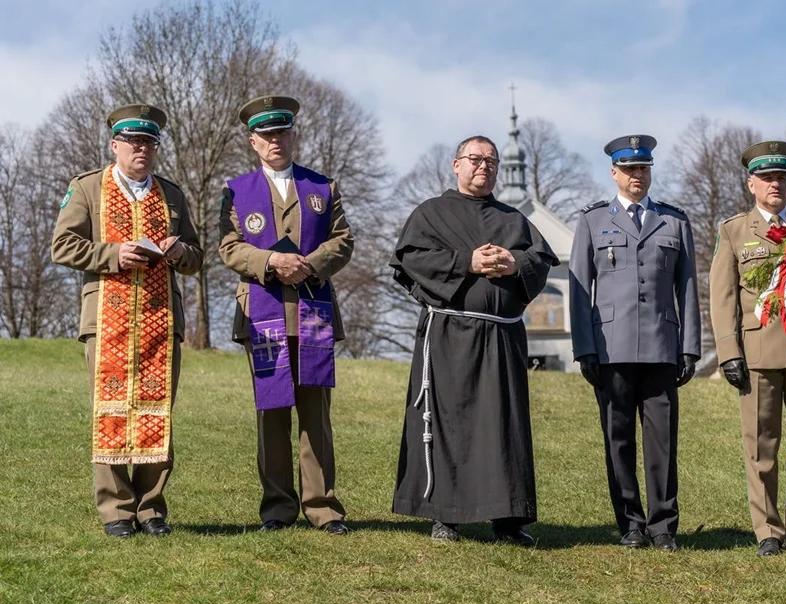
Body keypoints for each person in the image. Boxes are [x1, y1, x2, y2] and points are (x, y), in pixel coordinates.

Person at [390, 135, 559, 546]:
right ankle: (446, 516)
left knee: (505, 426)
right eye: (475, 159)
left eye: (491, 161)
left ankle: (508, 518)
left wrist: (513, 261)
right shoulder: (431, 213)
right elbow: (412, 260)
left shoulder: (514, 220)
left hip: (502, 337)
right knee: (451, 422)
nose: (483, 166)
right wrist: (468, 262)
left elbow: (540, 262)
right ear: (456, 165)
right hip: (449, 335)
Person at [51, 103, 203, 538]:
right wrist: (113, 254)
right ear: (115, 144)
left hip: (160, 316)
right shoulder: (87, 189)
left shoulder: (172, 194)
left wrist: (179, 252)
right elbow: (63, 246)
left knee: (158, 412)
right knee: (112, 411)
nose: (142, 149)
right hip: (106, 317)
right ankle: (117, 510)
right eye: (134, 142)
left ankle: (151, 509)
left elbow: (195, 257)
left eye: (149, 143)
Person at [217, 95, 355, 535]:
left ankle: (323, 508)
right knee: (272, 412)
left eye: (283, 132)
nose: (276, 140)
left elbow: (343, 240)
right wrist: (272, 263)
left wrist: (309, 264)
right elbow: (229, 247)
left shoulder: (322, 186)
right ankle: (278, 508)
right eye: (267, 135)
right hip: (261, 313)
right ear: (254, 142)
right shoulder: (236, 190)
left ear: (294, 135)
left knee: (316, 415)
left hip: (313, 311)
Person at [568, 135, 701, 552]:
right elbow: (577, 290)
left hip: (662, 346)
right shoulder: (592, 222)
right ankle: (630, 524)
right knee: (618, 438)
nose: (637, 176)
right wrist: (584, 348)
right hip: (610, 348)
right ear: (614, 173)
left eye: (643, 169)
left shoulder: (674, 222)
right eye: (629, 170)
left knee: (663, 441)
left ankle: (663, 527)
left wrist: (690, 347)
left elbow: (689, 288)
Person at [709, 140, 786, 557]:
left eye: (782, 177)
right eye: (767, 178)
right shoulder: (734, 231)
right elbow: (721, 297)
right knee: (761, 446)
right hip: (756, 355)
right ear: (751, 185)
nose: (775, 184)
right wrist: (728, 352)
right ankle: (768, 531)